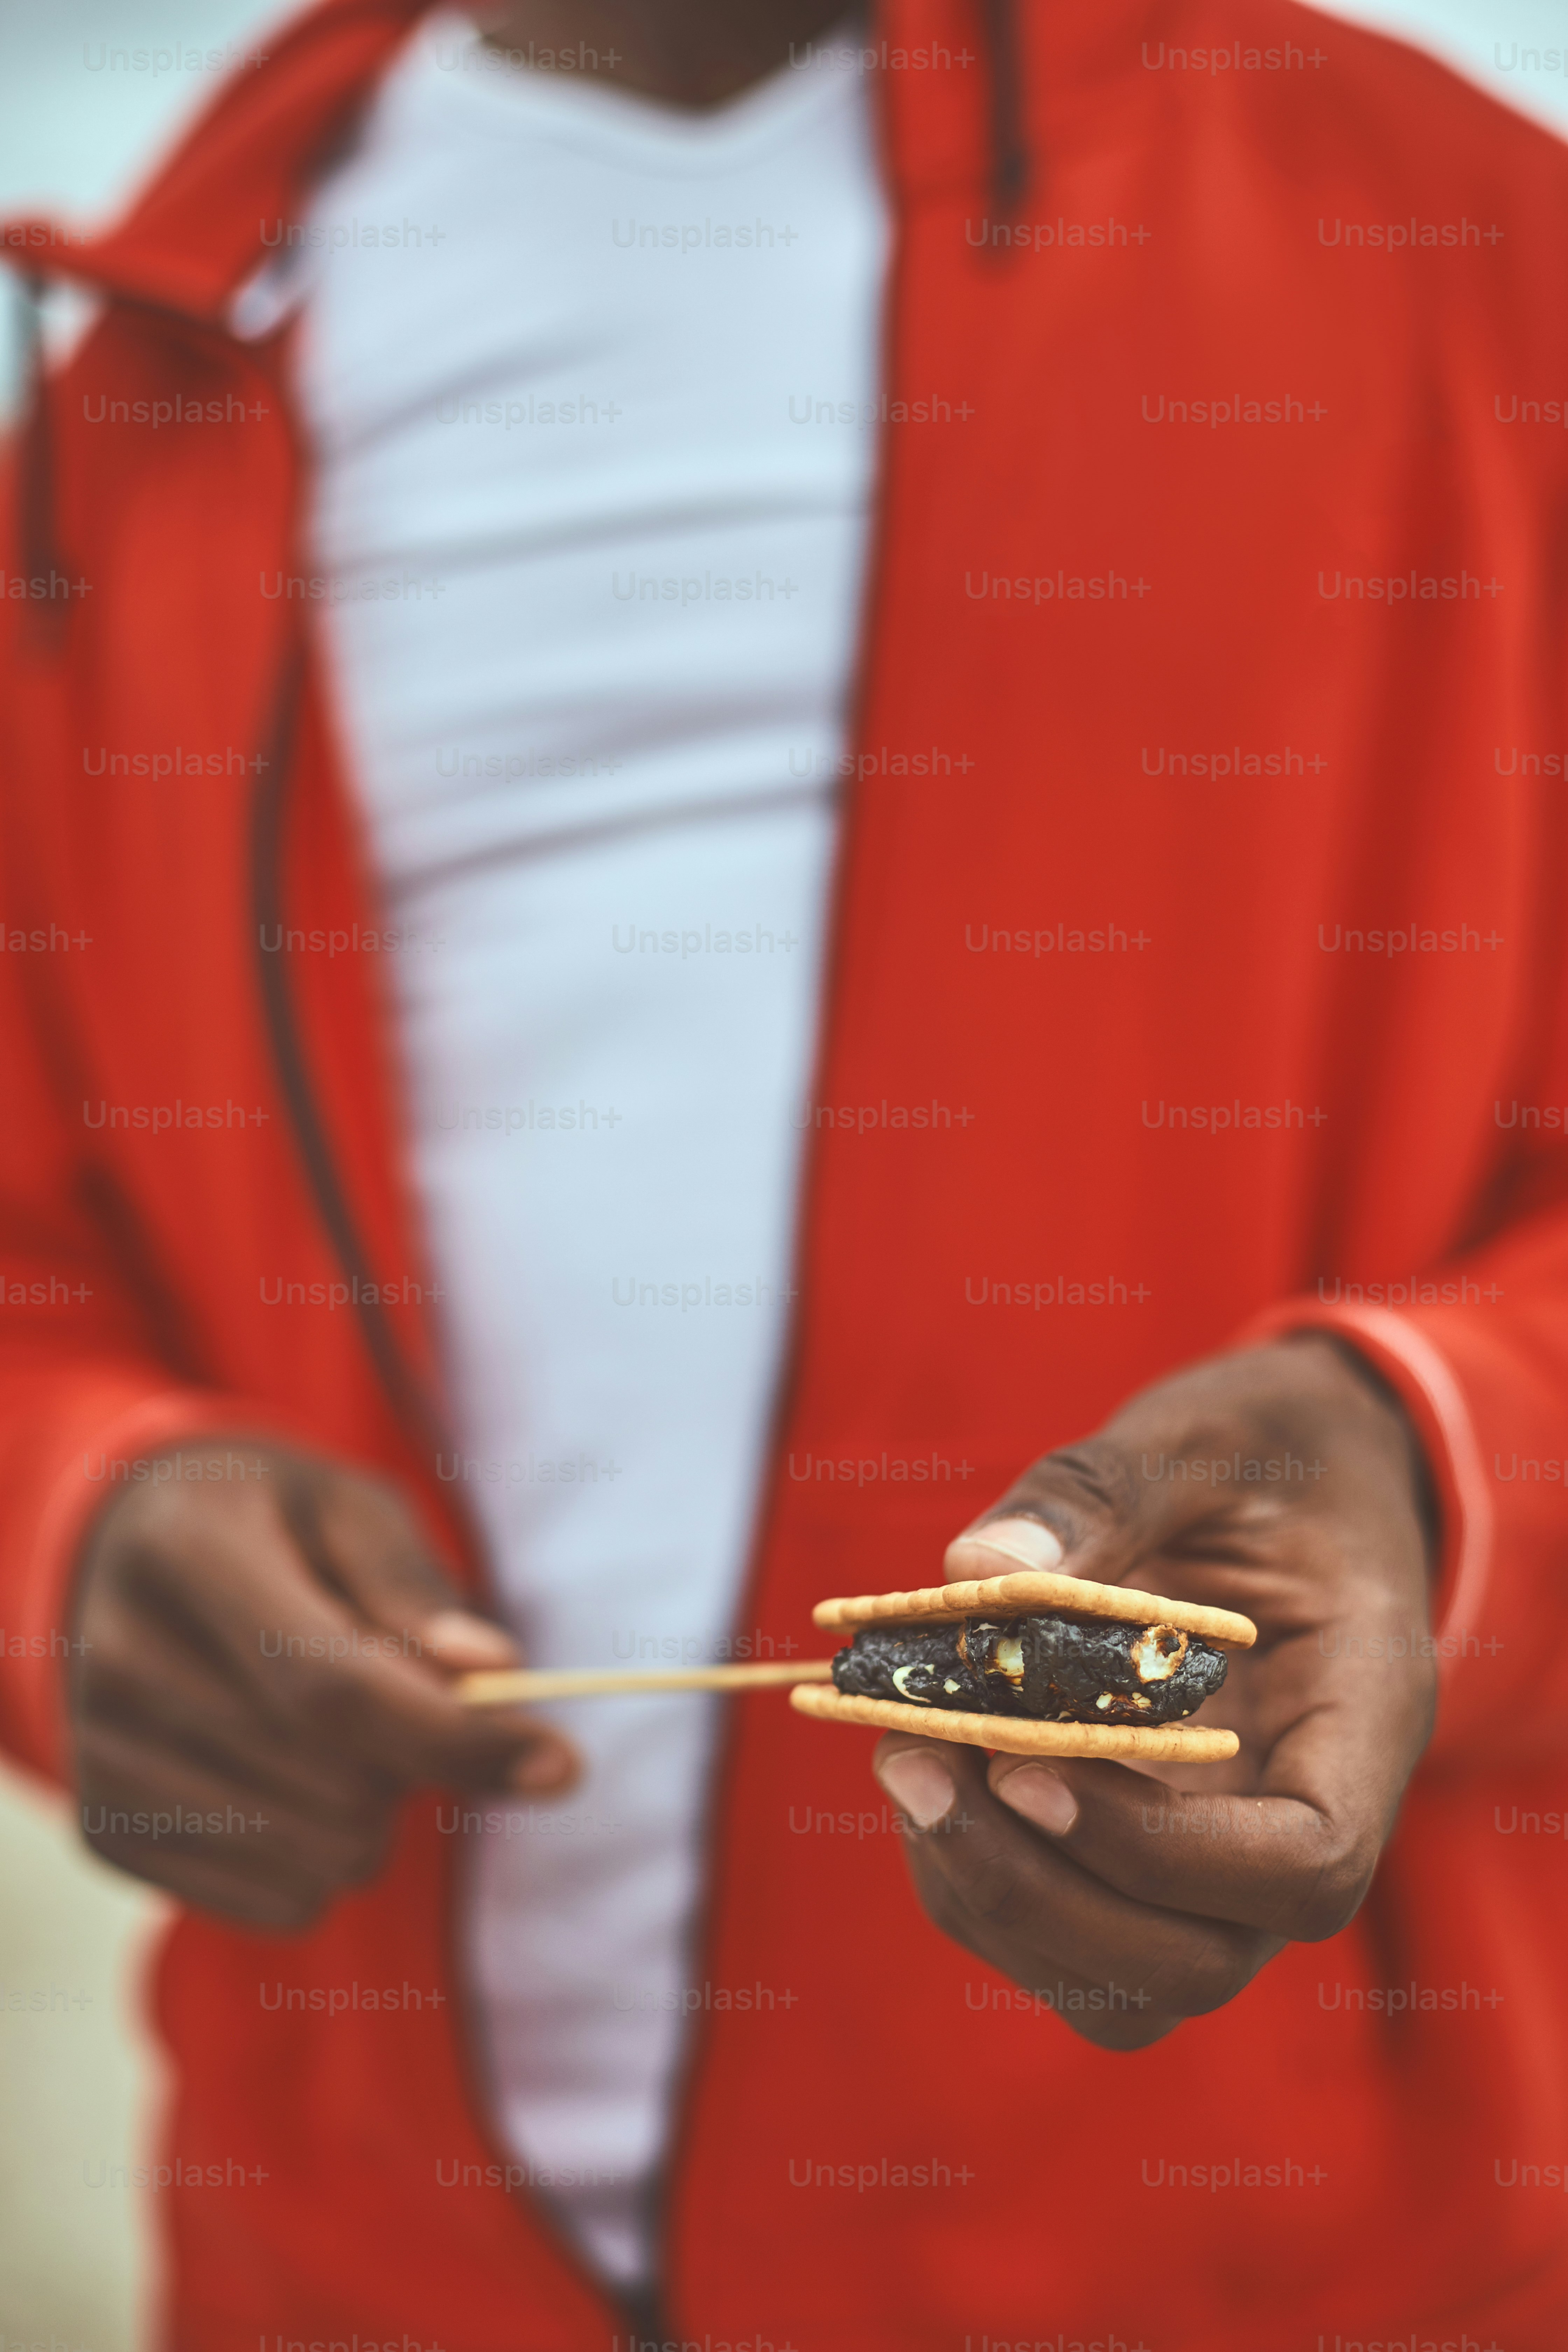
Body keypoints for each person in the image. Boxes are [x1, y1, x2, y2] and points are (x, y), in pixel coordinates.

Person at [2, 0, 1567, 2342]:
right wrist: (75, 1517)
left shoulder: (1478, 259)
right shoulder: (134, 374)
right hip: (346, 2274)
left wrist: (1442, 1465)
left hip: (1307, 2275)